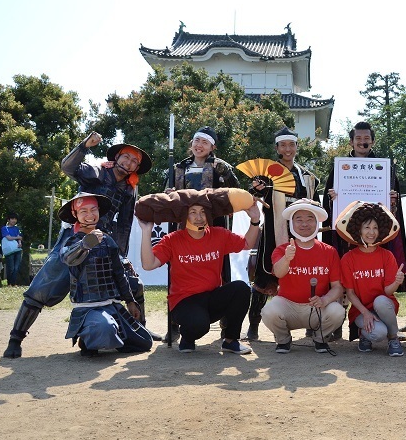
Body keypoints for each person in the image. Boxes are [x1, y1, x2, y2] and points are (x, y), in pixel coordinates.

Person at [3, 132, 154, 359]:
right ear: (118, 157)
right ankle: (16, 338)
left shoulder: (129, 190)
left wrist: (122, 256)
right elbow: (68, 168)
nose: (129, 163)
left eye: (135, 161)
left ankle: (138, 327)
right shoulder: (97, 172)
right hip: (74, 238)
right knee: (45, 285)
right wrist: (84, 146)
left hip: (104, 242)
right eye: (127, 157)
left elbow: (124, 225)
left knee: (134, 283)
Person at [137, 187, 260, 354]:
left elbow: (247, 244)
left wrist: (254, 220)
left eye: (203, 212)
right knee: (199, 325)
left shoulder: (218, 234)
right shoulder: (173, 239)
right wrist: (146, 231)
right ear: (184, 215)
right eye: (193, 212)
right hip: (183, 301)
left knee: (241, 288)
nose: (199, 217)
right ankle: (187, 337)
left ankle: (231, 340)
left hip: (211, 297)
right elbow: (148, 264)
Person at [321, 121, 406, 339]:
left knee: (372, 279)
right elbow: (329, 204)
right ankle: (338, 326)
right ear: (351, 141)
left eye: (366, 138)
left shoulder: (385, 167)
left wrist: (393, 200)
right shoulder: (340, 167)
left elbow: (392, 208)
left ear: (372, 141)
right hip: (347, 236)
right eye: (358, 138)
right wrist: (333, 199)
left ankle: (370, 325)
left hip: (374, 234)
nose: (362, 142)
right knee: (346, 279)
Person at [162, 126, 239, 344]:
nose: (199, 145)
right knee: (178, 271)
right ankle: (175, 325)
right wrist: (169, 194)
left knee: (221, 271)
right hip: (183, 230)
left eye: (205, 142)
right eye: (197, 140)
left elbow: (235, 191)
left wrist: (225, 173)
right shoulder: (178, 168)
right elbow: (165, 195)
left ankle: (227, 325)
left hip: (213, 229)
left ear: (212, 147)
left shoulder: (220, 167)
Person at [246, 126, 319, 342]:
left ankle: (310, 321)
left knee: (306, 273)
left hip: (301, 230)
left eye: (291, 144)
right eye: (283, 145)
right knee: (265, 274)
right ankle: (253, 324)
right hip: (273, 230)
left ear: (297, 147)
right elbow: (253, 196)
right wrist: (257, 188)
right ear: (277, 148)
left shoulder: (306, 175)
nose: (288, 149)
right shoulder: (268, 173)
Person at [60, 193, 152, 357]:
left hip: (112, 305)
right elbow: (67, 258)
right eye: (84, 211)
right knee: (106, 328)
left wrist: (130, 301)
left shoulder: (108, 240)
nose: (89, 215)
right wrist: (85, 243)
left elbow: (119, 273)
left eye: (93, 210)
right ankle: (88, 337)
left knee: (144, 342)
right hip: (87, 308)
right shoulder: (71, 241)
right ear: (75, 215)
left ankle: (104, 335)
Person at [261, 199, 344, 354]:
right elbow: (278, 273)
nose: (304, 224)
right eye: (299, 220)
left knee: (337, 311)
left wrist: (325, 300)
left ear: (317, 222)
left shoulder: (329, 251)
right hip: (288, 306)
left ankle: (320, 339)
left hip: (317, 307)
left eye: (309, 219)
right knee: (268, 311)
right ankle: (283, 340)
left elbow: (338, 288)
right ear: (292, 223)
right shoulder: (282, 250)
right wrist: (287, 258)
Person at [336, 201, 405, 356]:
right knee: (379, 333)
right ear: (358, 229)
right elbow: (350, 293)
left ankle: (393, 338)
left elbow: (388, 291)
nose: (371, 232)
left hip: (384, 306)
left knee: (380, 301)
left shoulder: (387, 256)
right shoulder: (348, 259)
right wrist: (366, 313)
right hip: (360, 310)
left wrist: (396, 282)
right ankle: (364, 334)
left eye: (375, 228)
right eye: (367, 227)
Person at [1, 213, 23, 286]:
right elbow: (8, 238)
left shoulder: (17, 228)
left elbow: (19, 237)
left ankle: (13, 283)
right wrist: (18, 238)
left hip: (17, 249)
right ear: (8, 220)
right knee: (11, 268)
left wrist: (20, 243)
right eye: (12, 219)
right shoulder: (4, 228)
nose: (14, 220)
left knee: (16, 268)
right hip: (9, 250)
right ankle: (9, 283)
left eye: (15, 219)